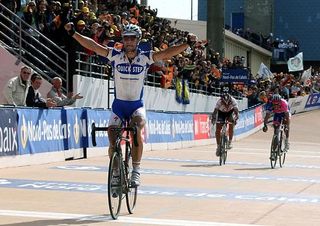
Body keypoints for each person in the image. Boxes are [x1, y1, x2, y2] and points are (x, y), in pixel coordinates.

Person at [64, 22, 197, 187]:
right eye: (126, 38)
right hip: (118, 107)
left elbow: (166, 53)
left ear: (138, 40)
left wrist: (187, 44)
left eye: (132, 38)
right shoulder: (115, 55)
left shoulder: (146, 57)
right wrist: (74, 33)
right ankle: (115, 171)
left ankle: (136, 170)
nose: (128, 41)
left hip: (136, 107)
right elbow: (94, 46)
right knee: (112, 141)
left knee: (136, 131)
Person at [211, 85, 239, 156]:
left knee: (231, 125)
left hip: (230, 113)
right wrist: (213, 118)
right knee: (218, 129)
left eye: (227, 102)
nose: (226, 104)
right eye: (224, 102)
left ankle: (230, 142)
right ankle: (218, 146)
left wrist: (236, 117)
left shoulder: (233, 100)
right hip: (221, 113)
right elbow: (215, 111)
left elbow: (236, 110)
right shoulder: (219, 101)